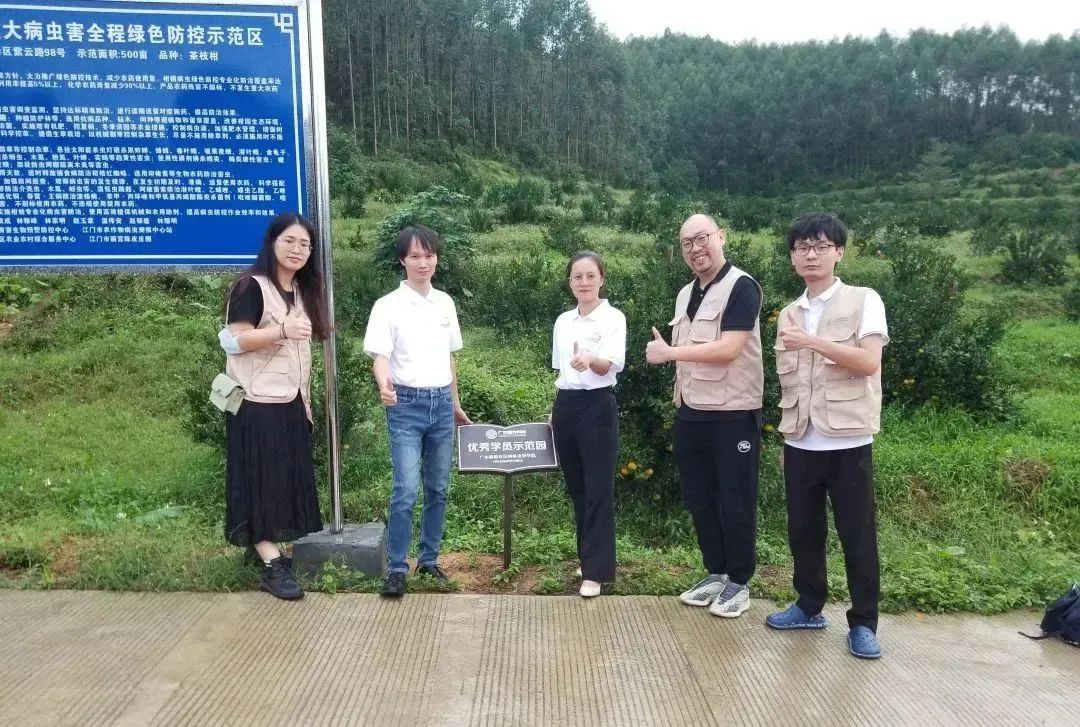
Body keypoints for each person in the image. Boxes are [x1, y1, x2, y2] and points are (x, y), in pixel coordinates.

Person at [765, 213, 888, 660]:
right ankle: (809, 605)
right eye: (802, 247)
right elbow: (792, 382)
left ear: (839, 252)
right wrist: (787, 441)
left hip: (849, 443)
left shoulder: (863, 299)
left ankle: (864, 622)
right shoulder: (789, 313)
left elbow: (868, 362)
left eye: (820, 246)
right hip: (801, 442)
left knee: (857, 535)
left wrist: (813, 342)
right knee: (804, 532)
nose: (810, 255)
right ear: (792, 257)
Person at [646, 213, 764, 618]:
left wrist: (669, 353)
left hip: (734, 413)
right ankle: (716, 572)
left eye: (702, 239)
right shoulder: (686, 293)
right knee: (700, 497)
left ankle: (739, 582)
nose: (695, 249)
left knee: (735, 499)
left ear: (721, 237)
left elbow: (730, 348)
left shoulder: (742, 286)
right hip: (691, 411)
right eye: (687, 243)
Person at [221, 212, 329, 600]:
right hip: (256, 402)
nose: (297, 250)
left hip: (292, 400)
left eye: (305, 244)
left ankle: (268, 547)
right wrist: (281, 330)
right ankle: (271, 563)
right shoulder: (251, 286)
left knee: (283, 480)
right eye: (289, 241)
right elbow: (234, 340)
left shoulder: (301, 290)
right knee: (260, 480)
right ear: (272, 243)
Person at [364, 225, 471, 598]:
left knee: (438, 487)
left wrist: (455, 403)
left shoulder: (445, 303)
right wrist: (384, 385)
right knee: (406, 489)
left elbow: (449, 358)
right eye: (414, 256)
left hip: (441, 405)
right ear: (402, 260)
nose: (423, 262)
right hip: (406, 405)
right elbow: (380, 356)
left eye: (429, 255)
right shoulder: (387, 306)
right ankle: (396, 567)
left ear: (436, 258)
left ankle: (428, 560)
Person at [550, 251, 626, 598]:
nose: (584, 282)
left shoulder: (612, 318)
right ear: (570, 282)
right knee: (578, 487)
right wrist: (555, 409)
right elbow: (560, 370)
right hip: (566, 405)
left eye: (590, 276)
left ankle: (596, 573)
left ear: (601, 279)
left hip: (597, 406)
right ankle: (588, 558)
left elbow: (608, 365)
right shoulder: (563, 321)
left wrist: (590, 359)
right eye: (577, 277)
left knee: (598, 488)